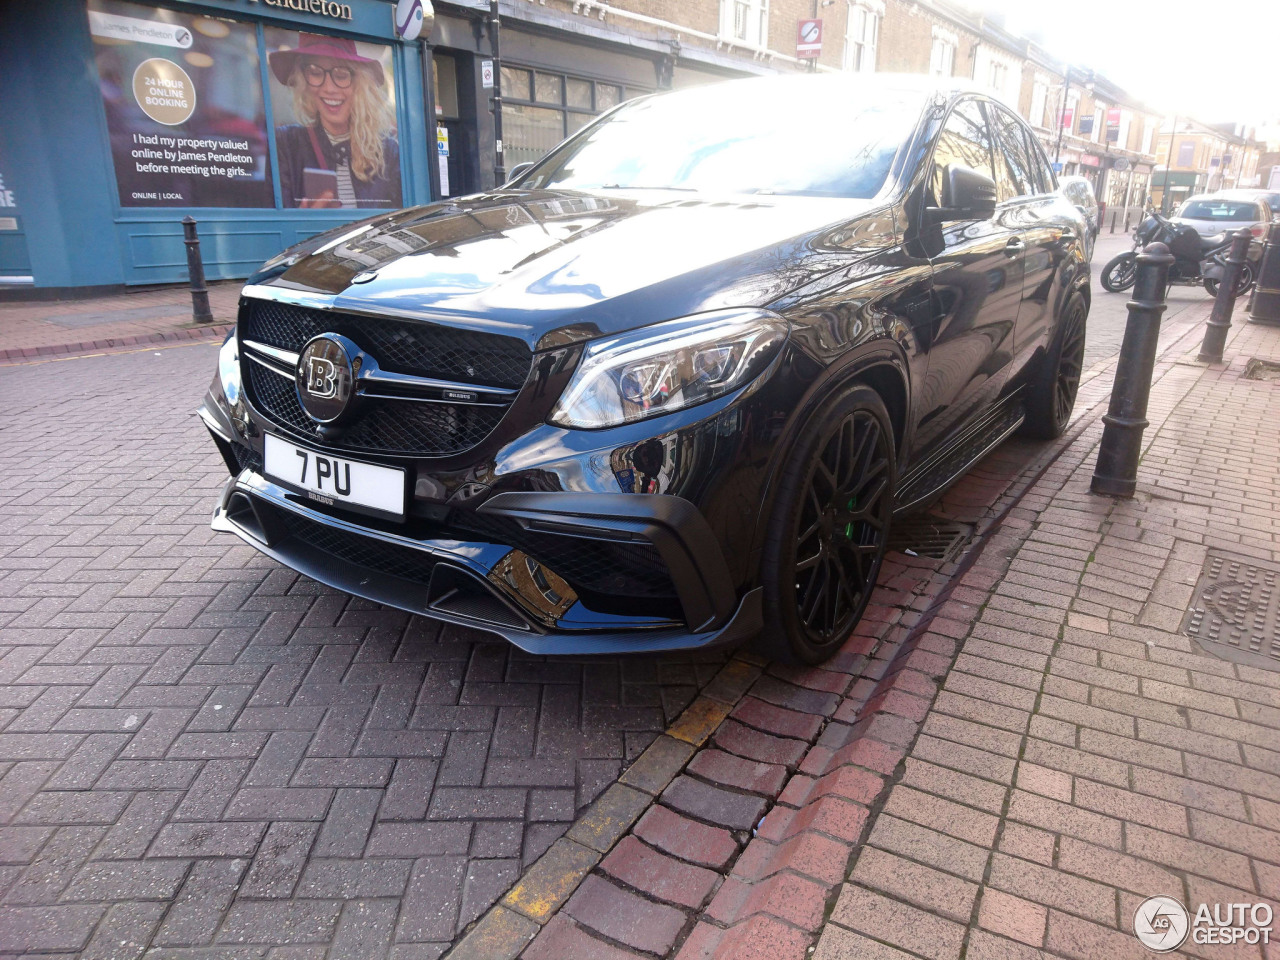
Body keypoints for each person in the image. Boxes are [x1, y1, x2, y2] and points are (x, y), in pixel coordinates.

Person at [269, 34, 401, 209]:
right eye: (315, 73)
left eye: (341, 75)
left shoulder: (388, 153)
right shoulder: (285, 144)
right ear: (304, 82)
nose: (329, 88)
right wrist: (303, 221)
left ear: (358, 83)